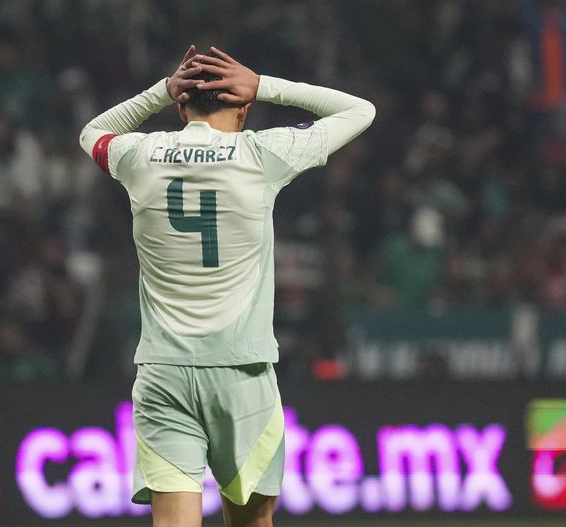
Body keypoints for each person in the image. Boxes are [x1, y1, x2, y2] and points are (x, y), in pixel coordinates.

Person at [80, 45, 375, 527]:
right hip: (242, 373)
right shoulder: (260, 154)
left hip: (163, 373)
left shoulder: (139, 154)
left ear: (180, 106)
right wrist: (264, 84)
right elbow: (360, 110)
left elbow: (91, 133)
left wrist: (158, 90)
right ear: (243, 108)